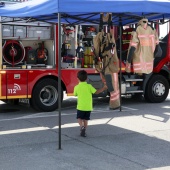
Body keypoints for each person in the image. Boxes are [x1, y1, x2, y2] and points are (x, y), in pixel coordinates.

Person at [74, 70, 107, 137]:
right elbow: (96, 92)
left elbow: (75, 94)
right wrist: (103, 88)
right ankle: (84, 130)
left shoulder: (76, 87)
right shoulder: (89, 86)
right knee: (86, 119)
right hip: (88, 107)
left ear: (77, 79)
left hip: (80, 107)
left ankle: (82, 126)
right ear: (86, 78)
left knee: (79, 118)